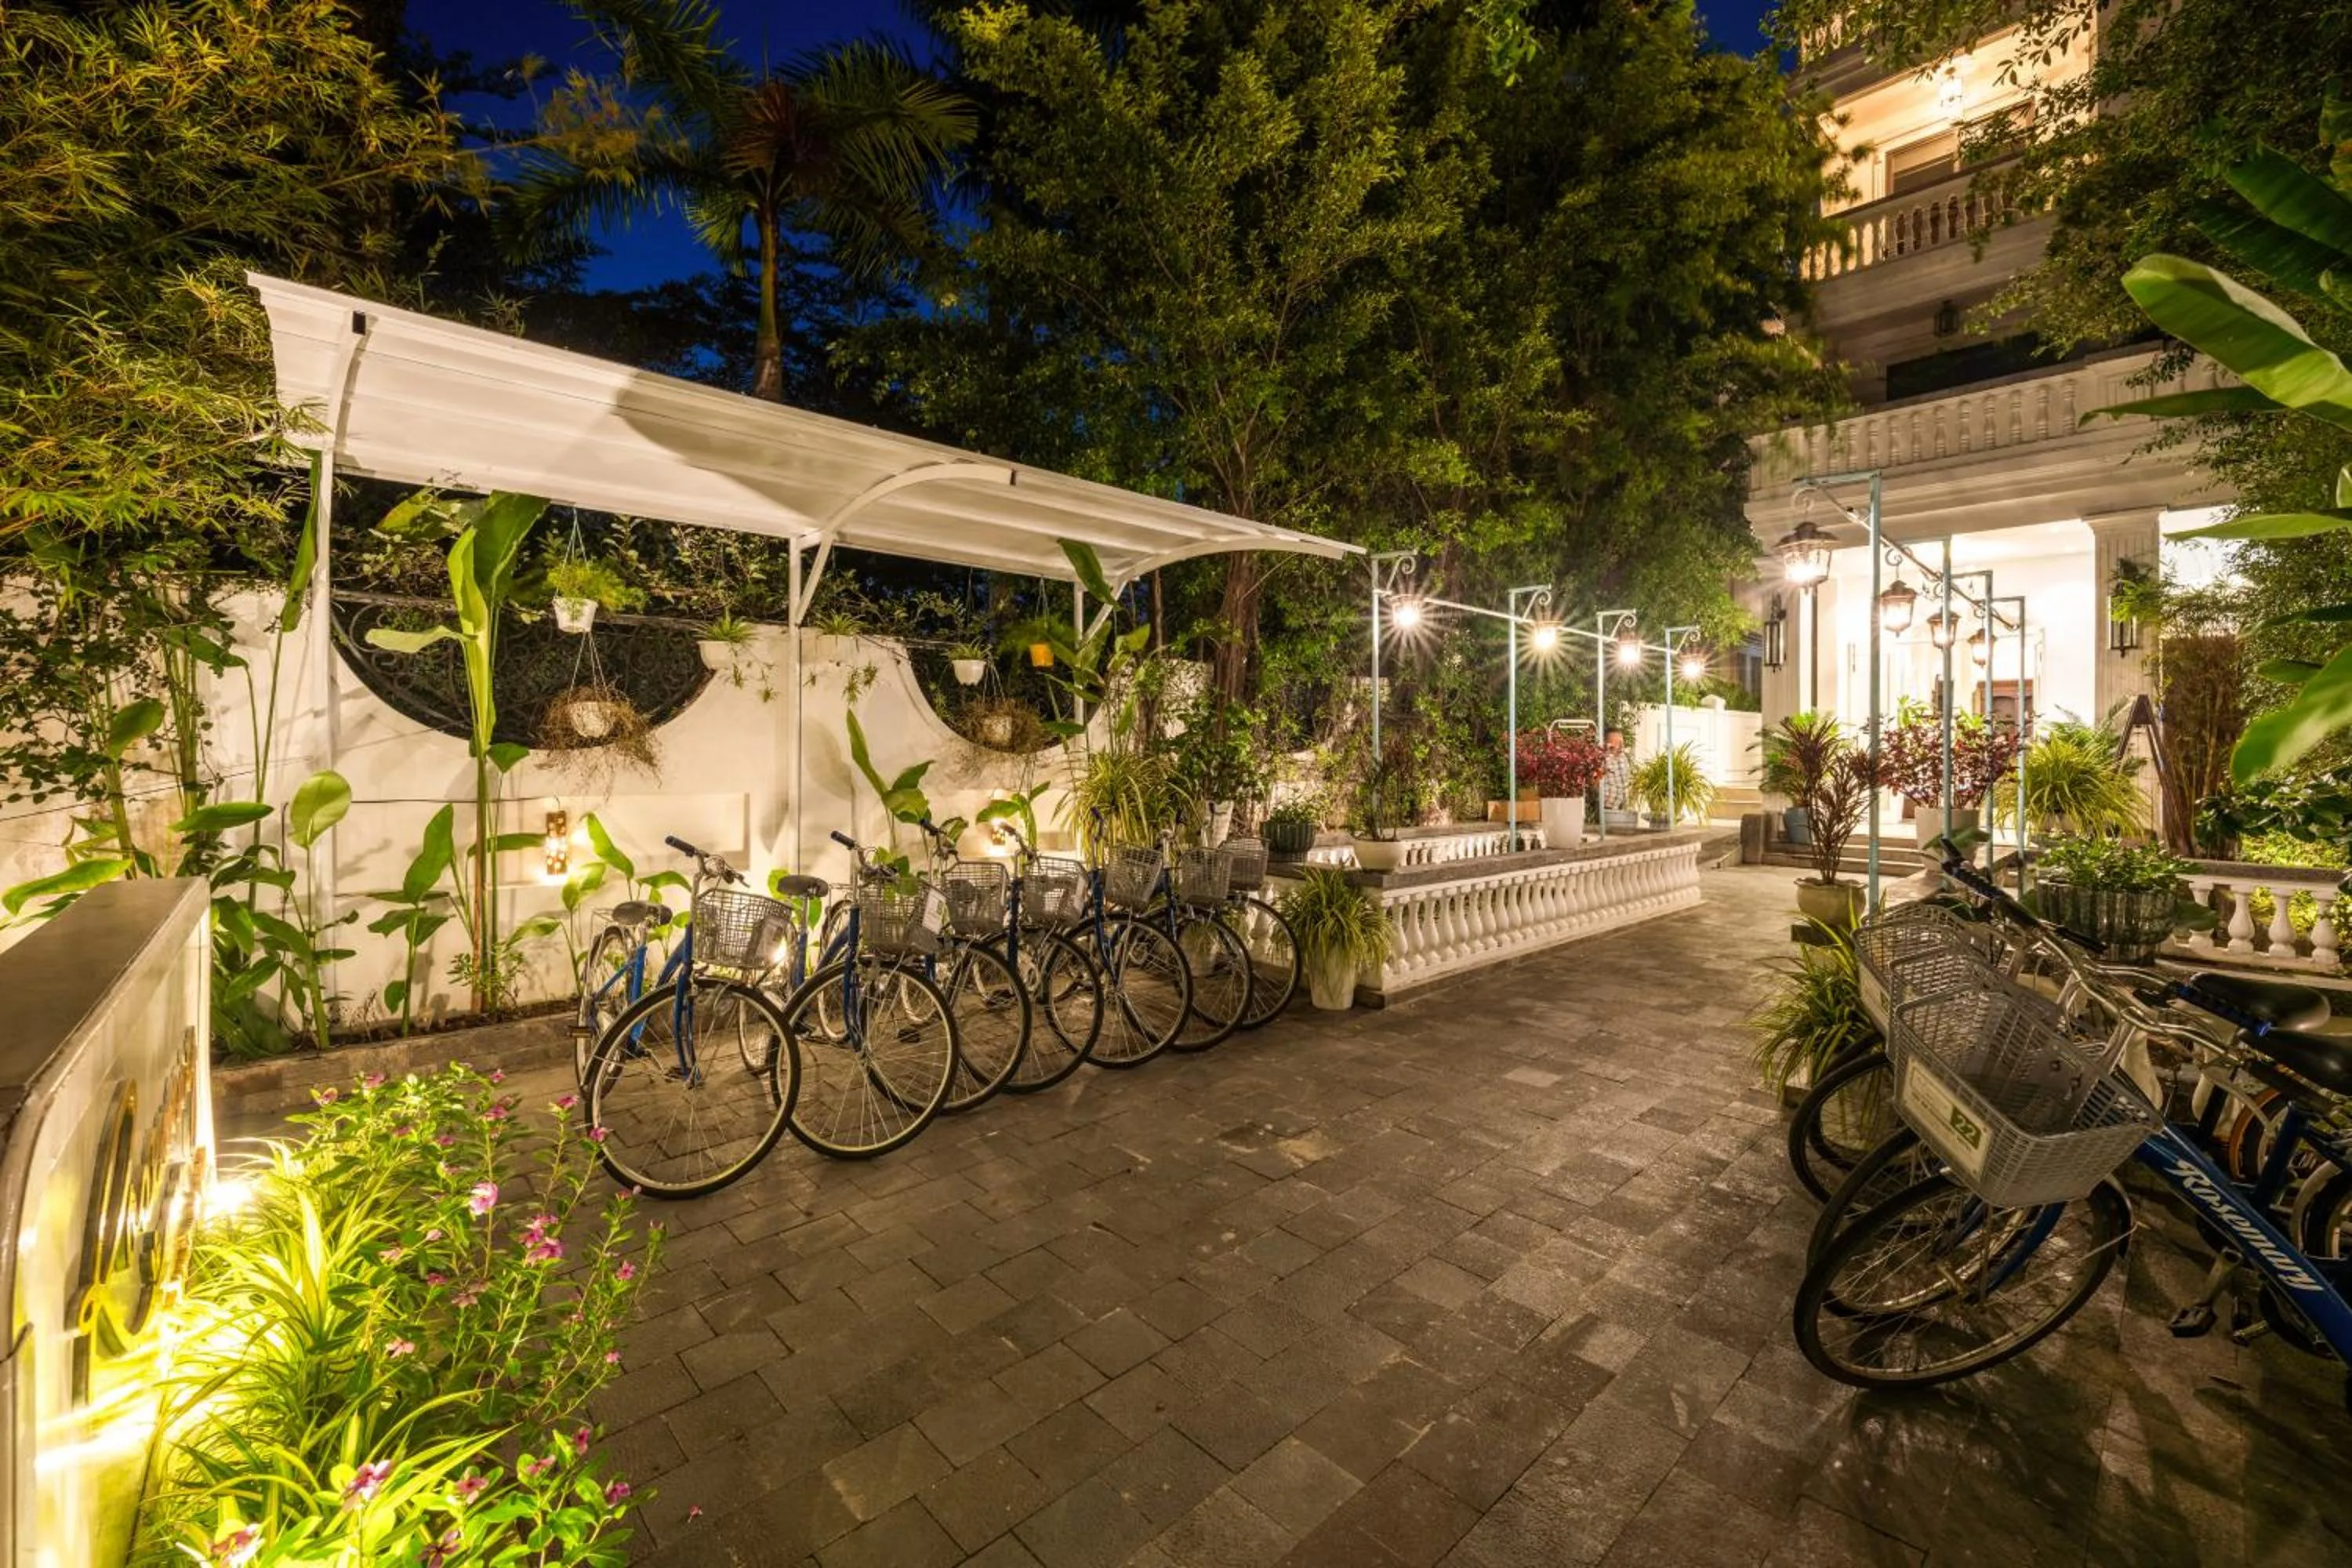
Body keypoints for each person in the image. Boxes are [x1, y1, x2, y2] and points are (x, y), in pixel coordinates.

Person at [1599, 728, 1632, 813]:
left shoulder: (1623, 757)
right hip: (1607, 807)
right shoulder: (1601, 759)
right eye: (1616, 740)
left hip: (1622, 806)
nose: (1619, 744)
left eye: (1620, 740)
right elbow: (1594, 781)